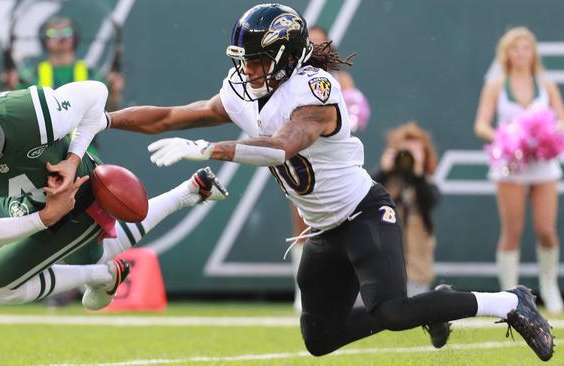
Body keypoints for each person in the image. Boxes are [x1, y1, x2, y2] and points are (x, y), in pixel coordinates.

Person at [105, 4, 554, 360]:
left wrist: (208, 150)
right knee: (320, 338)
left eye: (258, 60)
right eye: (246, 61)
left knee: (393, 311)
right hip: (321, 229)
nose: (249, 71)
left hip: (362, 214)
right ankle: (440, 302)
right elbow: (169, 117)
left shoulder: (315, 92)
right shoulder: (246, 89)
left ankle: (510, 302)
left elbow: (280, 148)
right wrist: (103, 120)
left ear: (283, 58)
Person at [0, 79, 228, 310]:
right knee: (88, 262)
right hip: (27, 201)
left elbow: (96, 93)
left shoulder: (32, 113)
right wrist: (45, 217)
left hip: (77, 193)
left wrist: (73, 159)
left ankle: (106, 270)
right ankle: (104, 271)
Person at [474, 26, 564, 314]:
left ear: (533, 53)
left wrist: (546, 136)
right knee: (512, 230)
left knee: (546, 230)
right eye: (515, 48)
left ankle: (549, 287)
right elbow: (481, 125)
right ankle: (511, 296)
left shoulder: (545, 83)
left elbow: (561, 120)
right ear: (507, 53)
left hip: (542, 165)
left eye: (526, 48)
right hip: (511, 165)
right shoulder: (497, 85)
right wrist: (509, 139)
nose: (521, 53)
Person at [289, 24, 372, 312]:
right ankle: (303, 294)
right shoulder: (289, 79)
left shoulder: (340, 79)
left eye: (320, 44)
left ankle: (347, 290)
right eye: (310, 43)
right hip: (302, 161)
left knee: (348, 222)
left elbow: (356, 112)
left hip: (336, 162)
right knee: (303, 224)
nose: (315, 49)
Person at [373, 122, 440, 296]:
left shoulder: (426, 184)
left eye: (415, 152)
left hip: (416, 274)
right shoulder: (384, 183)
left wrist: (417, 174)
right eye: (405, 152)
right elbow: (365, 198)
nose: (408, 157)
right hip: (380, 273)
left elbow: (430, 200)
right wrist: (383, 171)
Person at [1, 16, 124, 110]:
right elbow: (18, 109)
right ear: (45, 40)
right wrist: (11, 87)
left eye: (66, 32)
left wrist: (115, 92)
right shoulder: (32, 75)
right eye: (52, 34)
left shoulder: (91, 74)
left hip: (85, 143)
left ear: (75, 38)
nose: (61, 38)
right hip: (48, 143)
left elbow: (111, 108)